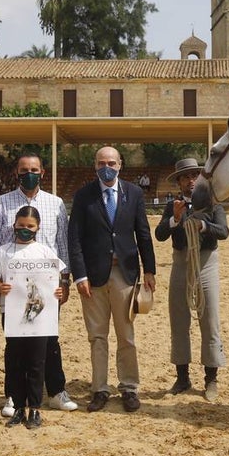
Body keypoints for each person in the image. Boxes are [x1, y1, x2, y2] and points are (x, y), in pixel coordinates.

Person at [0, 153, 78, 415]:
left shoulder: (56, 203)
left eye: (34, 169)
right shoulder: (1, 203)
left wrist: (65, 279)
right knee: (15, 342)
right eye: (24, 170)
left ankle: (56, 390)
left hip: (47, 288)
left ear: (42, 173)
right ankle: (13, 396)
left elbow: (62, 245)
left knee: (49, 340)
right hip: (12, 289)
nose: (29, 174)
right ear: (16, 173)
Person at [67, 146, 156, 413]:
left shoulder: (134, 193)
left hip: (125, 274)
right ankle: (99, 389)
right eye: (101, 162)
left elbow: (143, 233)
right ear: (95, 166)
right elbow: (75, 239)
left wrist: (149, 269)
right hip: (92, 277)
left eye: (111, 162)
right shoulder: (84, 196)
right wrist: (79, 274)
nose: (107, 167)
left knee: (126, 335)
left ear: (120, 165)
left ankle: (129, 387)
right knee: (97, 336)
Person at [155, 158, 229, 401]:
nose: (190, 180)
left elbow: (224, 231)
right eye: (185, 177)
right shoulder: (172, 205)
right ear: (178, 182)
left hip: (205, 262)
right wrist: (175, 219)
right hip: (180, 262)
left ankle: (211, 378)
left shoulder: (213, 203)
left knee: (209, 319)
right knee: (178, 319)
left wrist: (203, 226)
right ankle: (182, 377)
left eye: (194, 175)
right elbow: (160, 234)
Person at [0, 206, 68, 429]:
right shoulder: (3, 252)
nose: (25, 229)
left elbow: (59, 277)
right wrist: (0, 286)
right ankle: (17, 406)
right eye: (21, 225)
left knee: (37, 361)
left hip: (40, 317)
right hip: (12, 313)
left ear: (37, 228)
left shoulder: (45, 252)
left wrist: (60, 290)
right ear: (14, 224)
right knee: (15, 360)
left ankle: (35, 407)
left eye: (30, 226)